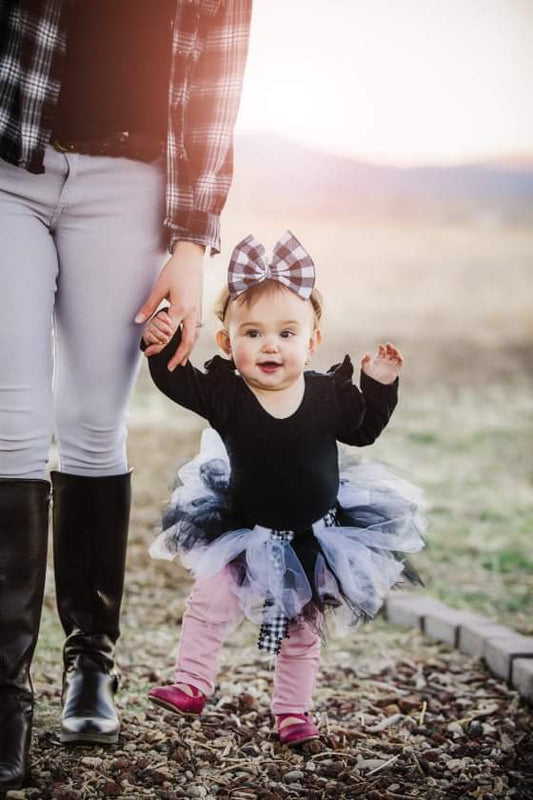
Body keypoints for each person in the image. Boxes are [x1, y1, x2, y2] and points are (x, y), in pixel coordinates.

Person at [0, 0, 252, 791]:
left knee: (92, 427)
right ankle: (5, 690)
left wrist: (190, 242)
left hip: (131, 185)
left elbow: (215, 82)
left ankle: (90, 667)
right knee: (10, 427)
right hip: (10, 170)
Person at [141, 232, 426, 747]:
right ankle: (192, 683)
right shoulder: (226, 393)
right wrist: (159, 350)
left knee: (301, 633)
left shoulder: (326, 394)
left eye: (287, 333)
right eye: (252, 333)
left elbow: (363, 431)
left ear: (311, 342)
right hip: (242, 532)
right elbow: (178, 383)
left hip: (316, 539)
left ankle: (293, 712)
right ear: (227, 343)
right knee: (209, 603)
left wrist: (379, 385)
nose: (270, 345)